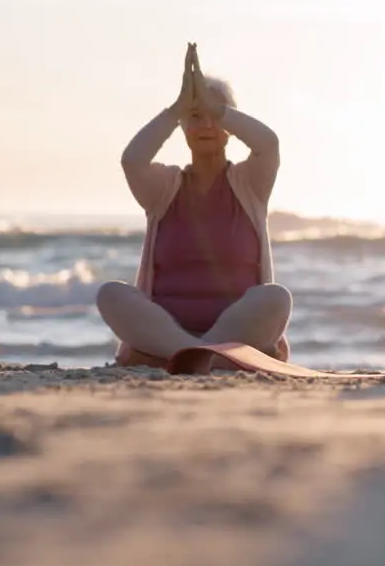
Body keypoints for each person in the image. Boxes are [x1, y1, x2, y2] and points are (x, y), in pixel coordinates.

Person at [96, 43, 292, 370]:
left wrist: (216, 109)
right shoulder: (163, 189)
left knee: (275, 298)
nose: (205, 125)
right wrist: (176, 109)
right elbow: (132, 160)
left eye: (214, 116)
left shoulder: (250, 183)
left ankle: (200, 358)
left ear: (229, 126)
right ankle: (198, 355)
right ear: (183, 127)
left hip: (237, 337)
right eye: (195, 117)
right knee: (110, 294)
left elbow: (268, 143)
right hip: (166, 338)